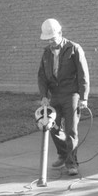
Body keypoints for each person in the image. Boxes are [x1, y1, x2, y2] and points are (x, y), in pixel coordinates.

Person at [38, 18, 90, 176]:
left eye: (52, 39)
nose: (51, 43)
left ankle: (71, 163)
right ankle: (63, 154)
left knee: (71, 130)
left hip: (71, 95)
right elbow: (42, 76)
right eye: (48, 40)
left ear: (60, 33)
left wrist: (84, 97)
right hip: (55, 94)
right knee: (51, 126)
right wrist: (44, 96)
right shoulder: (46, 52)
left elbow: (83, 74)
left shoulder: (74, 48)